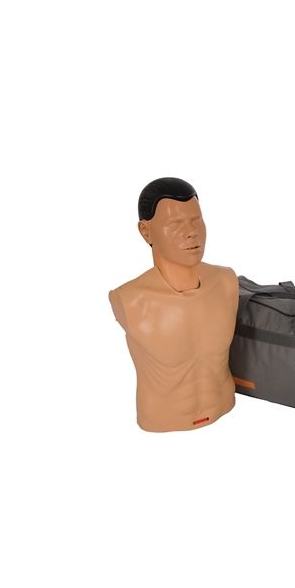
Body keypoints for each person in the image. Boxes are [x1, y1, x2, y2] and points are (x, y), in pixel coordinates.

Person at [108, 177, 239, 432]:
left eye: (196, 220)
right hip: (163, 423)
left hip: (226, 411)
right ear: (146, 231)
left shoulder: (226, 282)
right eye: (175, 224)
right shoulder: (130, 299)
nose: (191, 232)